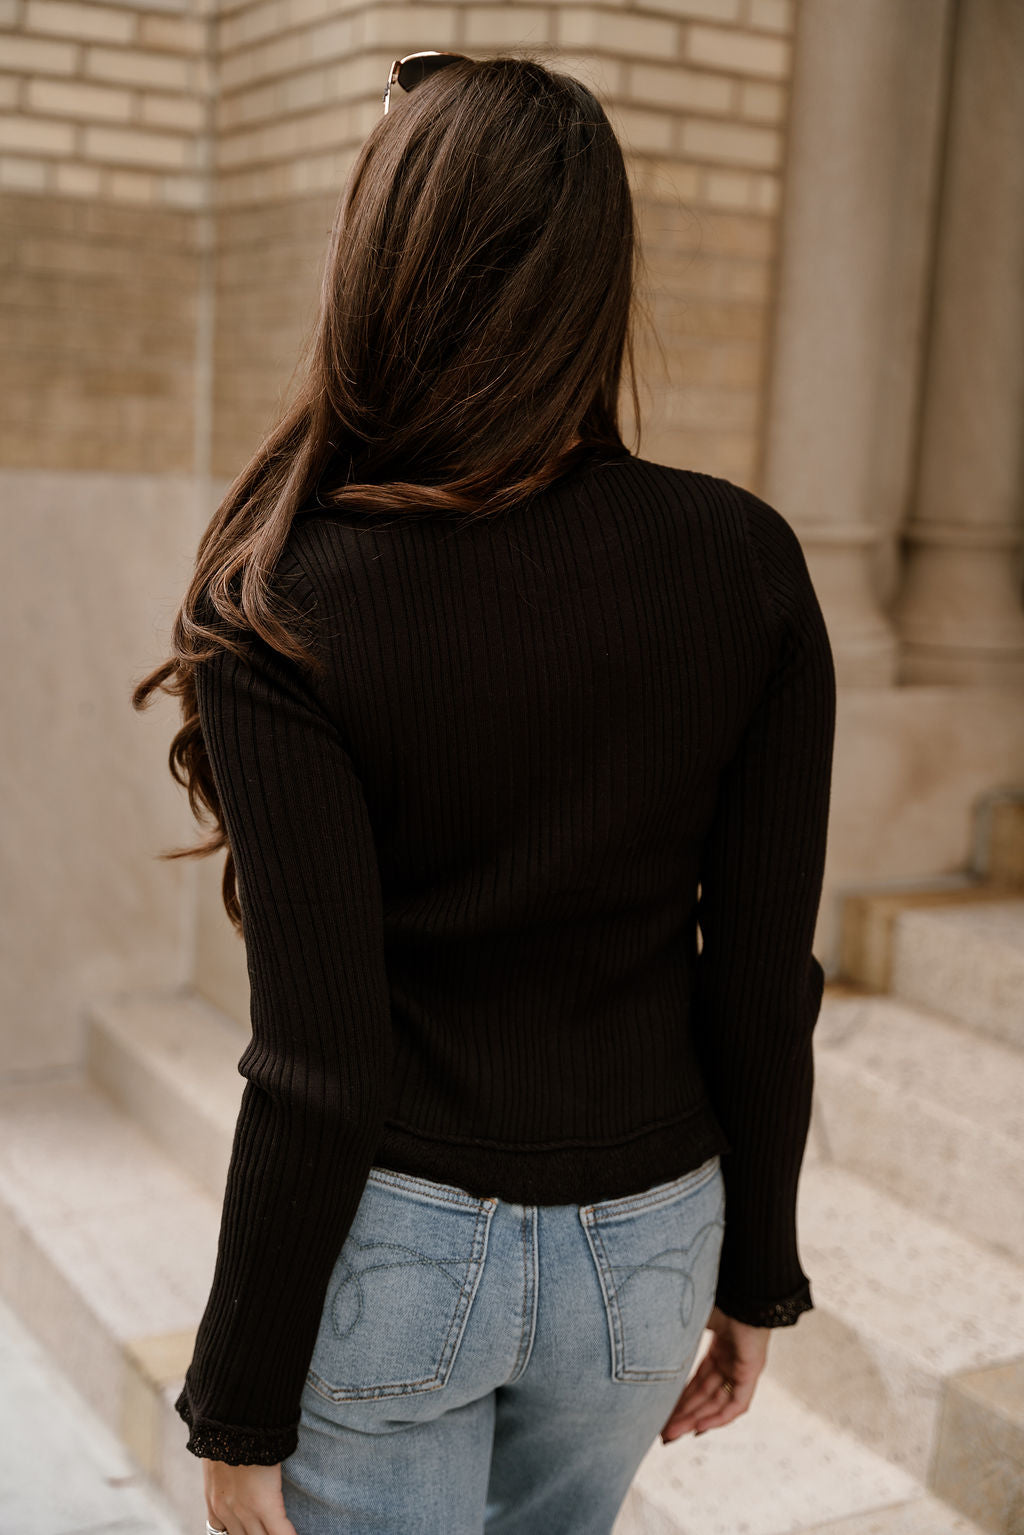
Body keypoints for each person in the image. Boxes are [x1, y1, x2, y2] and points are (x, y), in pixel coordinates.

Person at [132, 49, 836, 1535]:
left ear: (380, 267)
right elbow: (763, 976)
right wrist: (758, 1268)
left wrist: (237, 1404)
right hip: (653, 1243)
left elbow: (318, 1060)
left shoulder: (282, 600)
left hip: (399, 1249)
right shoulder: (747, 563)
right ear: (597, 282)